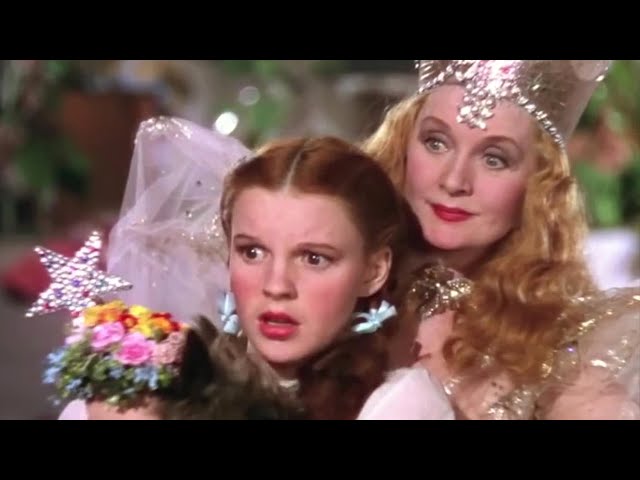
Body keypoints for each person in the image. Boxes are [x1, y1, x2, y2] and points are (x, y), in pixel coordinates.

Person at [58, 117, 453, 420]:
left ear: (374, 271)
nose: (276, 285)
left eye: (314, 258)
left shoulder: (401, 404)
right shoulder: (139, 390)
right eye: (253, 252)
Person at [361, 60, 640, 419]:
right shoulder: (330, 284)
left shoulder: (561, 358)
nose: (454, 180)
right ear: (401, 146)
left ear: (539, 187)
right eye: (436, 142)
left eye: (494, 159)